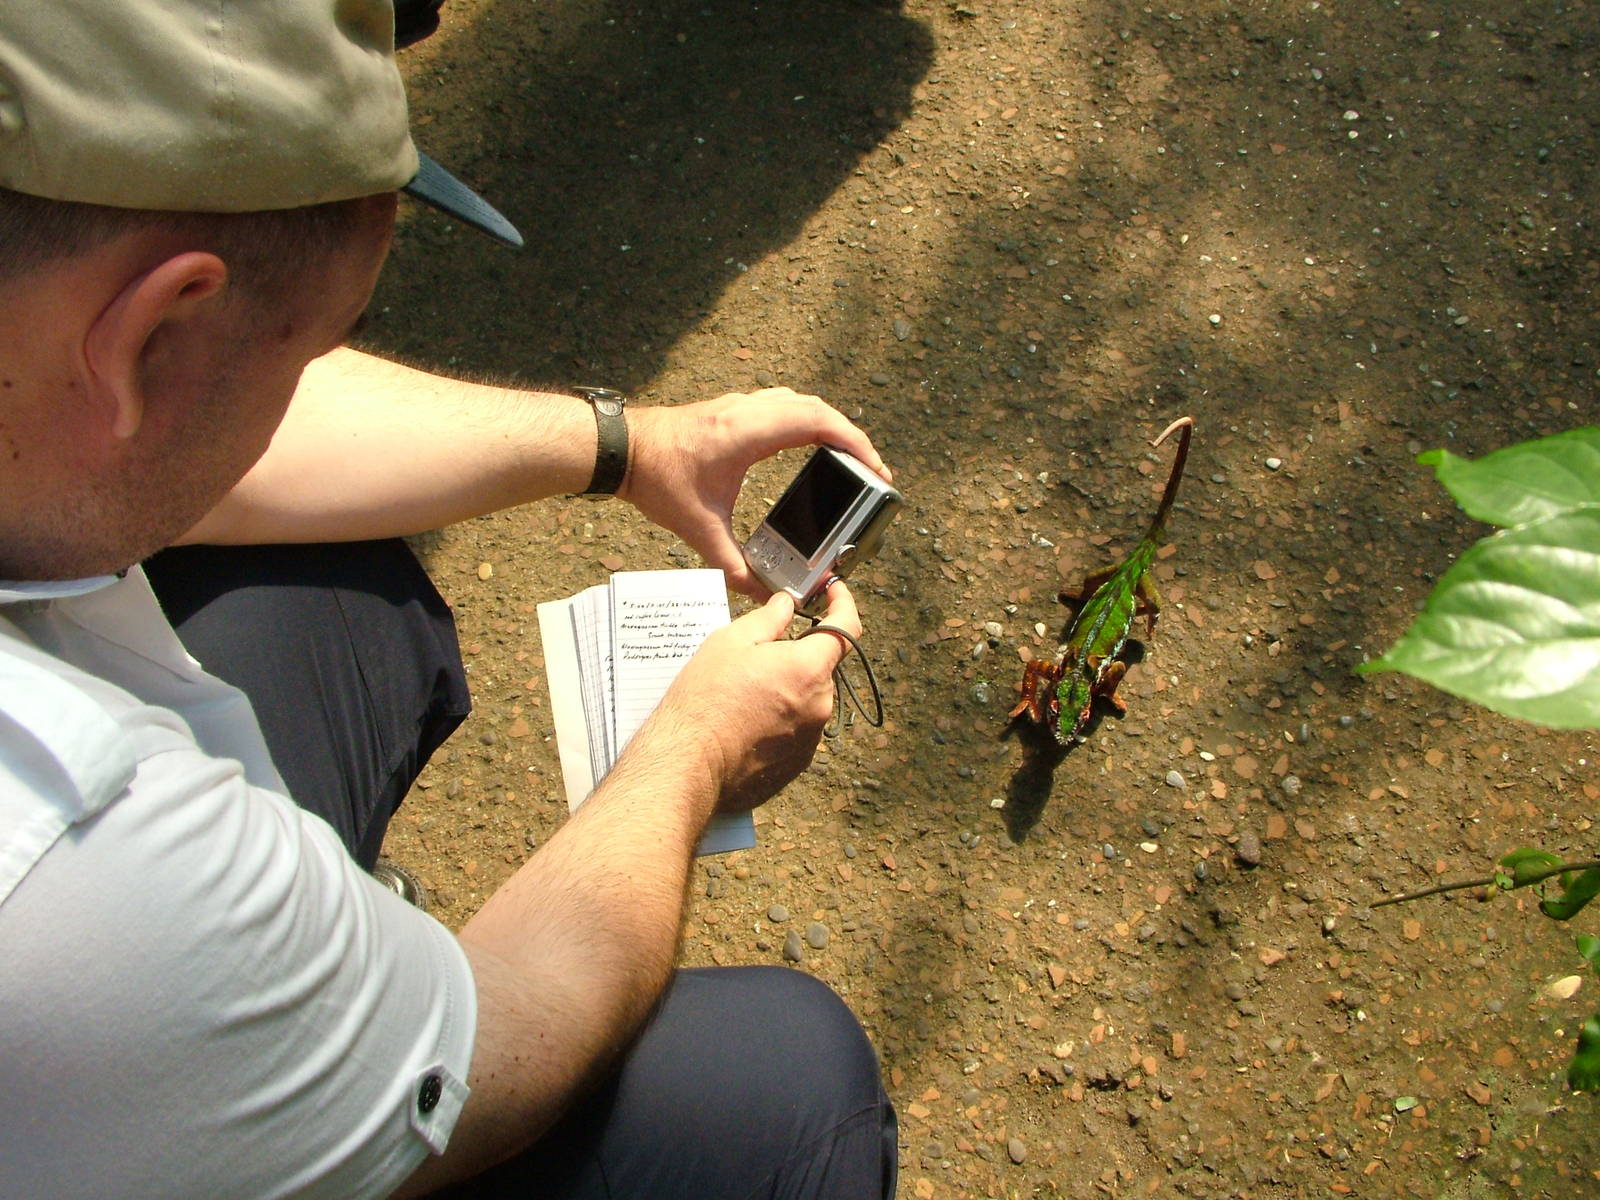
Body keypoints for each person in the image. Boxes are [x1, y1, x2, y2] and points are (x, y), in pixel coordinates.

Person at [0, 2, 898, 1198]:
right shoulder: (83, 861)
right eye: (316, 340)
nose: (311, 375)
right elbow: (500, 1056)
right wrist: (695, 752)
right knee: (791, 1086)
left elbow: (241, 438)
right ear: (147, 331)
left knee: (327, 586)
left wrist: (628, 446)